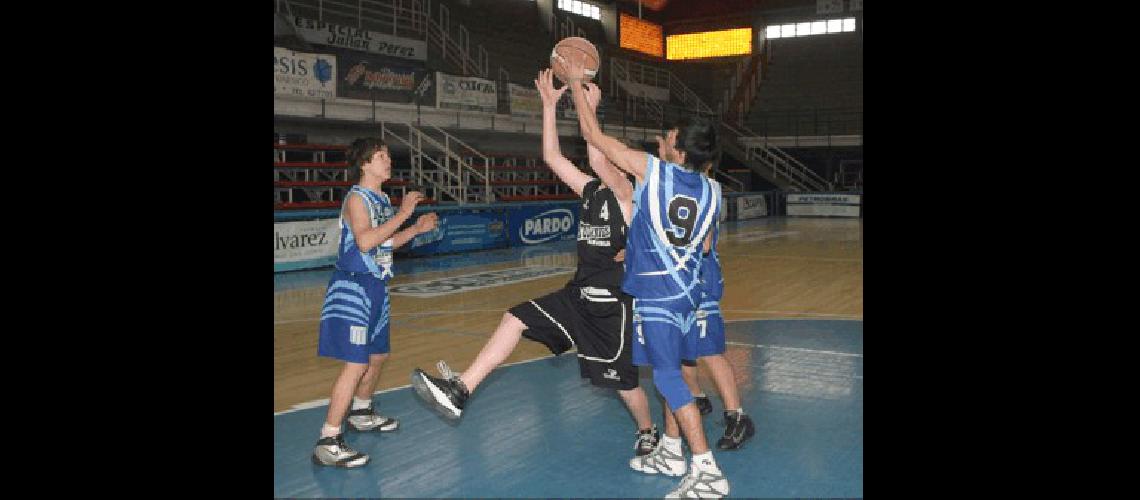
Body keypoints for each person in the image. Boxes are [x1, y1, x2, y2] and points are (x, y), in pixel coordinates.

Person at [410, 68, 660, 458]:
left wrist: (583, 99)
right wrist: (547, 106)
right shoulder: (591, 191)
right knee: (514, 317)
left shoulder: (627, 193)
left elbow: (596, 153)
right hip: (577, 295)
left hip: (612, 307)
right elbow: (551, 156)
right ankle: (461, 390)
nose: (604, 162)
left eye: (612, 158)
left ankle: (647, 430)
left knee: (623, 385)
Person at [563, 57, 730, 497]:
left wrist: (579, 88)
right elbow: (707, 245)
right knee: (674, 371)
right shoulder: (713, 190)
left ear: (680, 149)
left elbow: (593, 137)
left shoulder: (656, 172)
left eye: (668, 137)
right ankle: (672, 450)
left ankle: (707, 469)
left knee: (669, 380)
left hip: (657, 294)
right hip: (689, 295)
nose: (661, 139)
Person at [311, 137, 440, 468]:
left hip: (377, 287)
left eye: (386, 155)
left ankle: (362, 412)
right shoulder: (357, 198)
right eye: (380, 156)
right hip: (354, 288)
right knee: (355, 364)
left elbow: (387, 243)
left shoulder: (380, 197)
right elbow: (366, 241)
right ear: (365, 164)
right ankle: (328, 440)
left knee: (377, 356)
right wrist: (405, 212)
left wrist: (415, 229)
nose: (387, 160)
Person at [679, 160, 757, 450]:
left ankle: (738, 417)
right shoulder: (682, 185)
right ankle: (698, 397)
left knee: (709, 351)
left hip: (699, 278)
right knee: (678, 348)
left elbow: (705, 244)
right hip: (680, 278)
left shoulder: (705, 190)